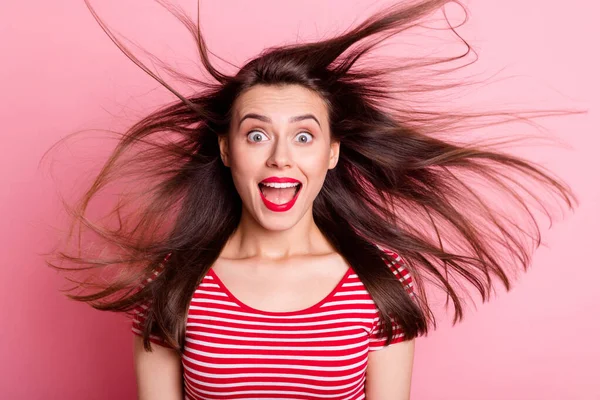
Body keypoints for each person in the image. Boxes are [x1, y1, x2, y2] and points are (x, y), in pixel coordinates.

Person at [43, 0, 577, 399]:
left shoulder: (379, 277)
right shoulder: (171, 280)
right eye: (257, 135)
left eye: (303, 136)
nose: (280, 157)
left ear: (330, 153)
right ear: (227, 151)